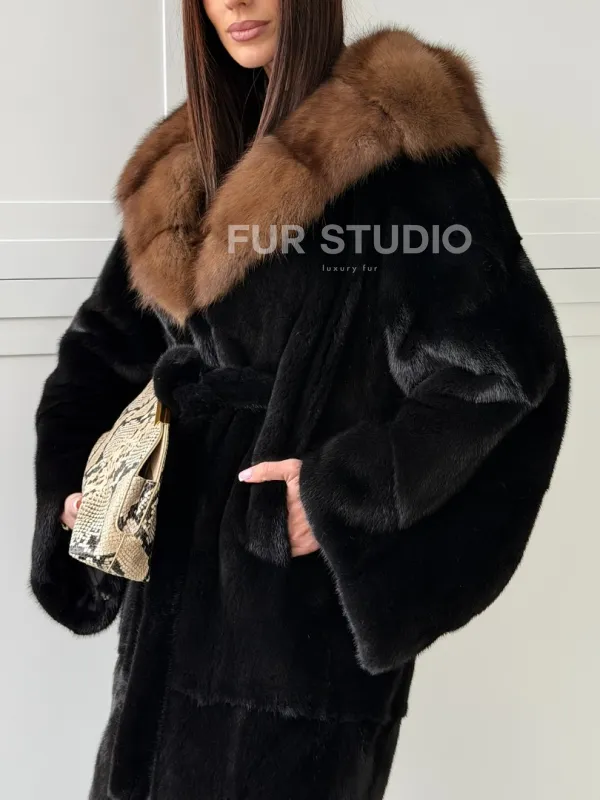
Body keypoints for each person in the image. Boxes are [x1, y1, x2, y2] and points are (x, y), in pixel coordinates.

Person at [29, 1, 570, 798]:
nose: (235, 3)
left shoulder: (402, 152)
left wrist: (343, 496)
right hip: (167, 599)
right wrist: (80, 489)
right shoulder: (189, 163)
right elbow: (102, 350)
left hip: (296, 632)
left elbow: (504, 373)